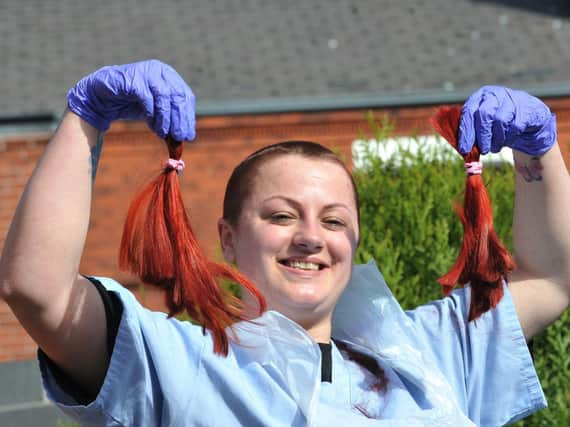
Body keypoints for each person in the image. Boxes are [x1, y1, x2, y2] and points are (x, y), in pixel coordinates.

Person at [0, 60, 568, 427]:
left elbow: (551, 276)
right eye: (280, 215)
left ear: (355, 240)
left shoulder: (431, 353)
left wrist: (539, 154)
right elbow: (36, 289)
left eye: (334, 221)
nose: (309, 238)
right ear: (228, 237)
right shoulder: (175, 363)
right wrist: (86, 119)